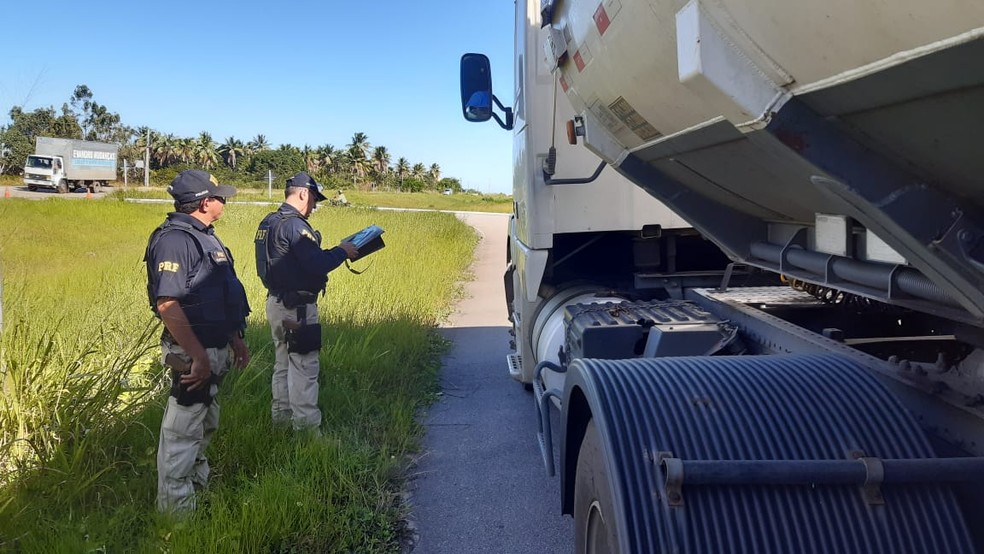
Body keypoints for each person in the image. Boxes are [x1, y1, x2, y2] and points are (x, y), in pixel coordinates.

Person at [144, 169, 251, 513]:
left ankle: (199, 495)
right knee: (181, 434)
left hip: (214, 347)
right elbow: (168, 304)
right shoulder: (175, 240)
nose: (224, 202)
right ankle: (176, 518)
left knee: (204, 426)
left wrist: (235, 339)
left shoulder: (205, 236)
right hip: (192, 354)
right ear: (205, 203)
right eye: (220, 197)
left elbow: (221, 296)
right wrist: (198, 357)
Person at [254, 171, 358, 432]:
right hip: (297, 309)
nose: (314, 207)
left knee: (283, 364)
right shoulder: (295, 226)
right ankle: (307, 430)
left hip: (276, 302)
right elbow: (316, 264)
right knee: (304, 367)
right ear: (303, 194)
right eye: (313, 200)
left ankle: (281, 420)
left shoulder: (269, 222)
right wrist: (342, 251)